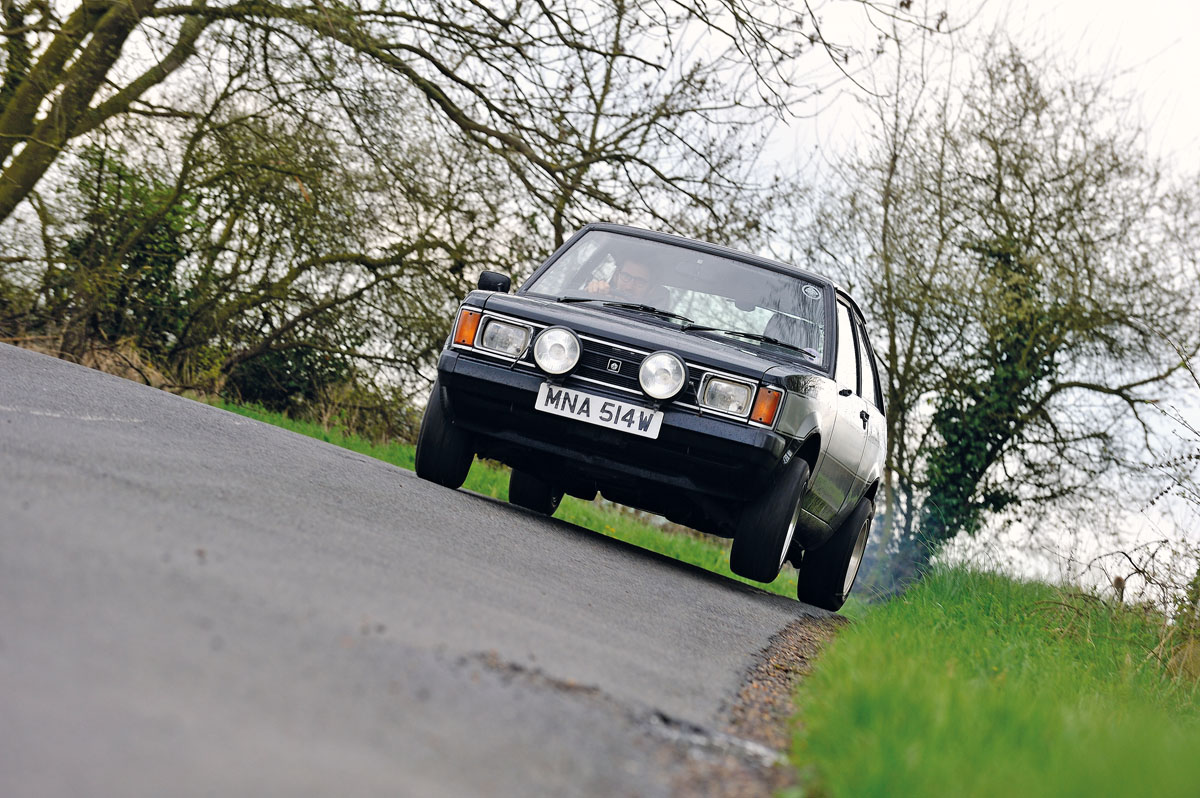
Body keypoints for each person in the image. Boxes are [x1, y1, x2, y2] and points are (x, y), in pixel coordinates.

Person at [585, 257, 660, 304]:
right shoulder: (599, 299)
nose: (629, 287)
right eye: (626, 276)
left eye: (640, 281)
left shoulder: (653, 323)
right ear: (616, 277)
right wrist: (590, 295)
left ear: (651, 289)